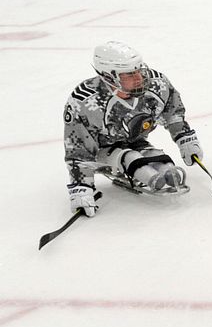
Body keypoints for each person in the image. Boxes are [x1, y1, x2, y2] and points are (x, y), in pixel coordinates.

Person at [63, 42, 203, 216]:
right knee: (130, 157)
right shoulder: (84, 102)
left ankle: (164, 169)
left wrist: (185, 138)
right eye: (129, 74)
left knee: (157, 158)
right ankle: (139, 168)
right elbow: (79, 150)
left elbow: (172, 112)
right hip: (102, 149)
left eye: (138, 70)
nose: (139, 78)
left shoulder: (157, 84)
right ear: (108, 76)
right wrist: (81, 188)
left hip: (137, 140)